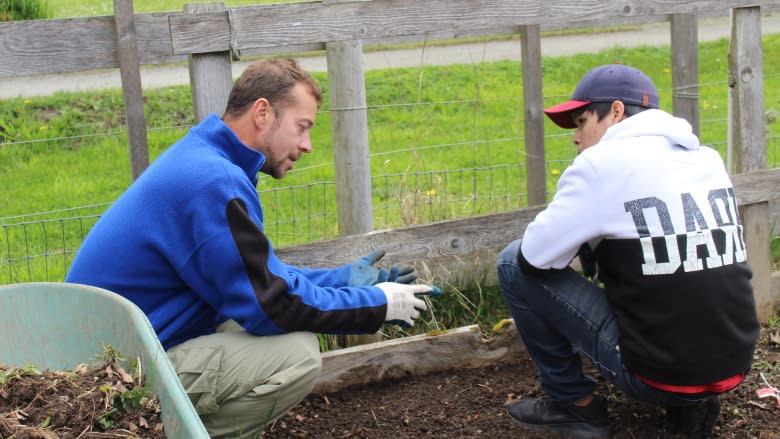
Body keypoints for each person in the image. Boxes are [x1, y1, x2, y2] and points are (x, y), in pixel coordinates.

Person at [66, 58, 439, 438]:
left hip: (111, 356)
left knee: (268, 330)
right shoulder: (215, 182)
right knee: (296, 356)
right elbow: (273, 306)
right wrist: (376, 305)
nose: (307, 145)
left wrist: (339, 281)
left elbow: (255, 281)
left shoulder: (206, 159)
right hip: (108, 382)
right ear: (262, 113)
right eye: (302, 127)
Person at [496, 64, 759, 439]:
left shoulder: (601, 164)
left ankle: (574, 405)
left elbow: (533, 258)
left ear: (616, 112)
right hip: (733, 364)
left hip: (658, 377)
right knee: (666, 270)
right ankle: (692, 402)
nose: (576, 137)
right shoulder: (706, 158)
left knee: (510, 260)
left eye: (581, 120)